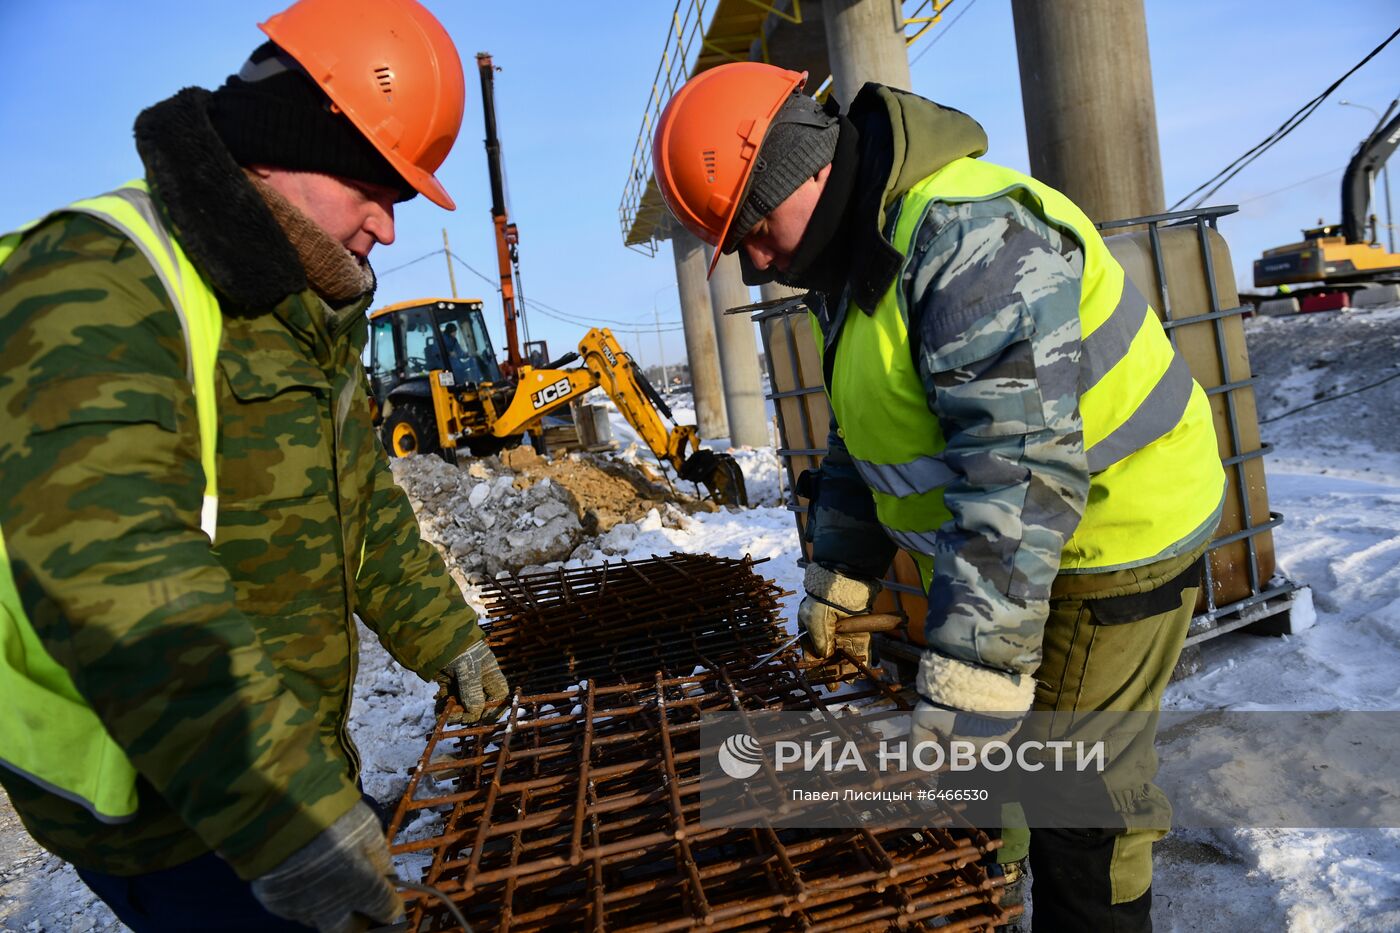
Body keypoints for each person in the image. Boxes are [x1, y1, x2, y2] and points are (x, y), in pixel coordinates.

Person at [652, 63, 1225, 931]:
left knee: (1081, 800)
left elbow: (1019, 466)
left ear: (803, 169)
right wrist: (841, 574)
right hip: (1019, 540)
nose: (758, 262)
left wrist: (975, 676)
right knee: (991, 768)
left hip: (1116, 530)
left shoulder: (969, 238)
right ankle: (992, 887)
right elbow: (867, 425)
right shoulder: (852, 259)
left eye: (757, 229)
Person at [0, 2, 509, 930]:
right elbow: (123, 582)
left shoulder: (300, 309)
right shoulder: (98, 276)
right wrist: (290, 825)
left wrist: (447, 638)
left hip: (282, 773)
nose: (387, 229)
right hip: (179, 812)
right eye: (374, 187)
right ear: (278, 147)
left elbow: (360, 501)